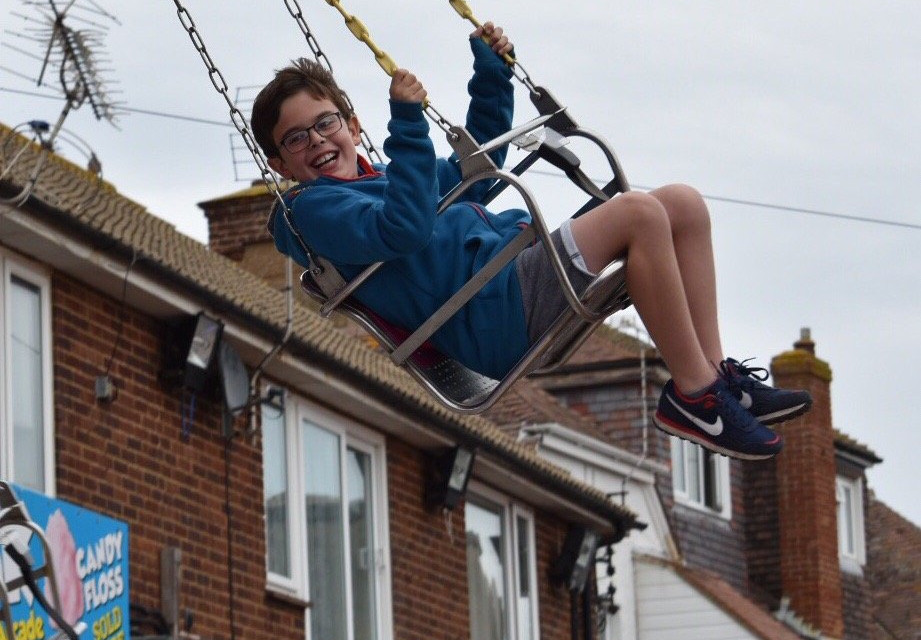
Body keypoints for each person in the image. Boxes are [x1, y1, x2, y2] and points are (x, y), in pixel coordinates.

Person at [251, 23, 811, 460]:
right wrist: (408, 124)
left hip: (508, 274)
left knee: (681, 204)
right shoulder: (312, 212)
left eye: (325, 124)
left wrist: (492, 74)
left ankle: (715, 381)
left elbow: (484, 170)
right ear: (279, 162)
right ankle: (693, 396)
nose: (317, 142)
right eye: (296, 139)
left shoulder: (387, 183)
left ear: (350, 124)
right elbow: (406, 229)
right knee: (639, 214)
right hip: (487, 309)